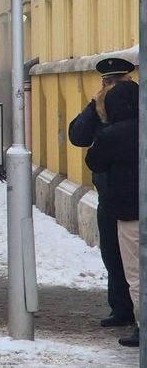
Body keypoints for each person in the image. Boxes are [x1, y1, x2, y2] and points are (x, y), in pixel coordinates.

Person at [69, 56, 138, 335]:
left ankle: (137, 314)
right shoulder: (100, 109)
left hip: (132, 196)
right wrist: (92, 106)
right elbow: (78, 136)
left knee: (134, 260)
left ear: (128, 80)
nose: (110, 87)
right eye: (107, 82)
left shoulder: (134, 106)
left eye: (116, 82)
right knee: (112, 254)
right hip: (109, 194)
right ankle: (121, 308)